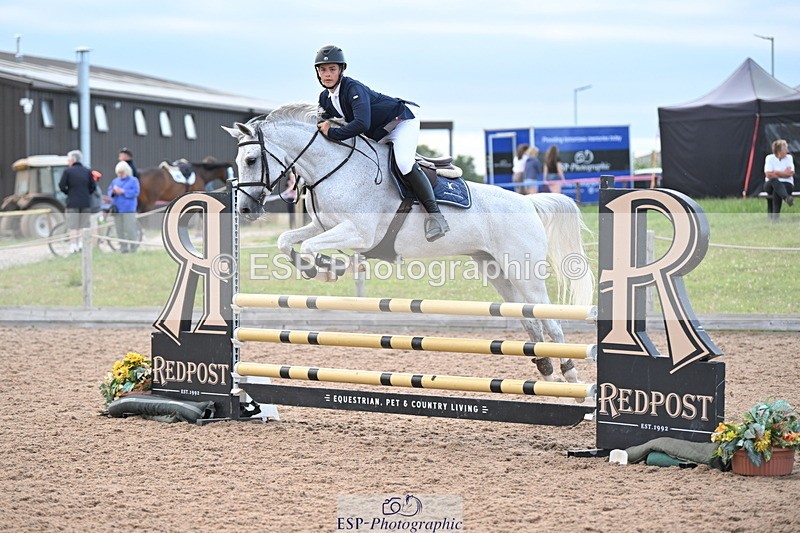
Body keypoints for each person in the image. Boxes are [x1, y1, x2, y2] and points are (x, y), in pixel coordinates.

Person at [313, 44, 449, 242]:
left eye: (332, 69)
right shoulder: (324, 98)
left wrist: (332, 133)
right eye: (323, 70)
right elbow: (320, 124)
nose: (327, 74)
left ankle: (436, 217)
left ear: (342, 70)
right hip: (378, 132)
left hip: (401, 122)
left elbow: (361, 123)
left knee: (403, 163)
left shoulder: (353, 89)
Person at [59, 150, 96, 253]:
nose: (68, 161)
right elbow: (93, 187)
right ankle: (81, 245)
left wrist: (68, 192)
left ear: (73, 160)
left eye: (69, 159)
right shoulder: (87, 171)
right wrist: (85, 193)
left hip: (72, 203)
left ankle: (73, 246)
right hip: (85, 202)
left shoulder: (68, 171)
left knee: (73, 226)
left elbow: (61, 185)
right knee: (84, 226)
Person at [107, 161, 141, 253]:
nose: (120, 174)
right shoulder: (115, 181)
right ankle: (123, 248)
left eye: (122, 172)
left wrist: (123, 191)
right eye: (118, 173)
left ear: (127, 171)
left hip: (129, 209)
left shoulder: (134, 180)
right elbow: (109, 191)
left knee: (130, 229)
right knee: (119, 229)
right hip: (117, 209)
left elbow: (136, 192)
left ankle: (133, 248)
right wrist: (113, 192)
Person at [763, 139, 795, 221]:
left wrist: (776, 172)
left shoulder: (789, 158)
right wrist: (783, 173)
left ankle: (775, 219)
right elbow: (768, 174)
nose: (787, 151)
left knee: (777, 190)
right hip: (770, 184)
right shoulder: (769, 158)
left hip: (786, 184)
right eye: (785, 149)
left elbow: (790, 174)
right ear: (778, 151)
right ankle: (786, 198)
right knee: (774, 181)